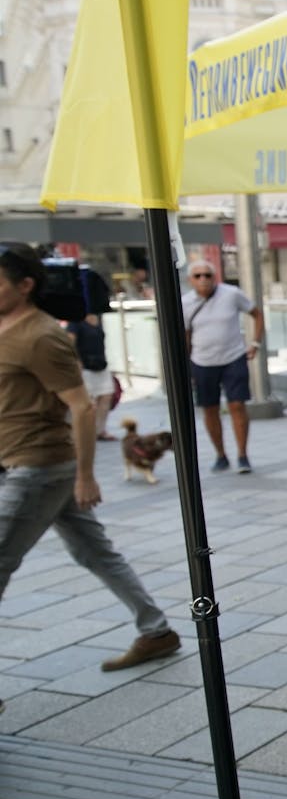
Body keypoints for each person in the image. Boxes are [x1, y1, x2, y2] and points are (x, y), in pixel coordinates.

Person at [0, 243, 181, 675]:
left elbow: (81, 406)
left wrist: (85, 475)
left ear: (25, 286)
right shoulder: (8, 327)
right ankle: (156, 631)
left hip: (39, 467)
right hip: (24, 461)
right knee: (95, 553)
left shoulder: (41, 337)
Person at [182, 260, 264, 474]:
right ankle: (220, 455)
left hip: (234, 357)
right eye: (198, 276)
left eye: (207, 275)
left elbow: (256, 313)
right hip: (202, 361)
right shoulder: (185, 303)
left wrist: (255, 343)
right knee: (210, 409)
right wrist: (187, 365)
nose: (203, 280)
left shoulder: (231, 293)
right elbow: (186, 335)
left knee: (237, 405)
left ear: (214, 277)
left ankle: (243, 455)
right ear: (190, 280)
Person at [64, 315, 117, 441]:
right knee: (88, 401)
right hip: (85, 367)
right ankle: (82, 431)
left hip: (101, 365)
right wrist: (76, 362)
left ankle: (99, 430)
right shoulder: (76, 321)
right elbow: (69, 343)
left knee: (106, 396)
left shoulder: (98, 318)